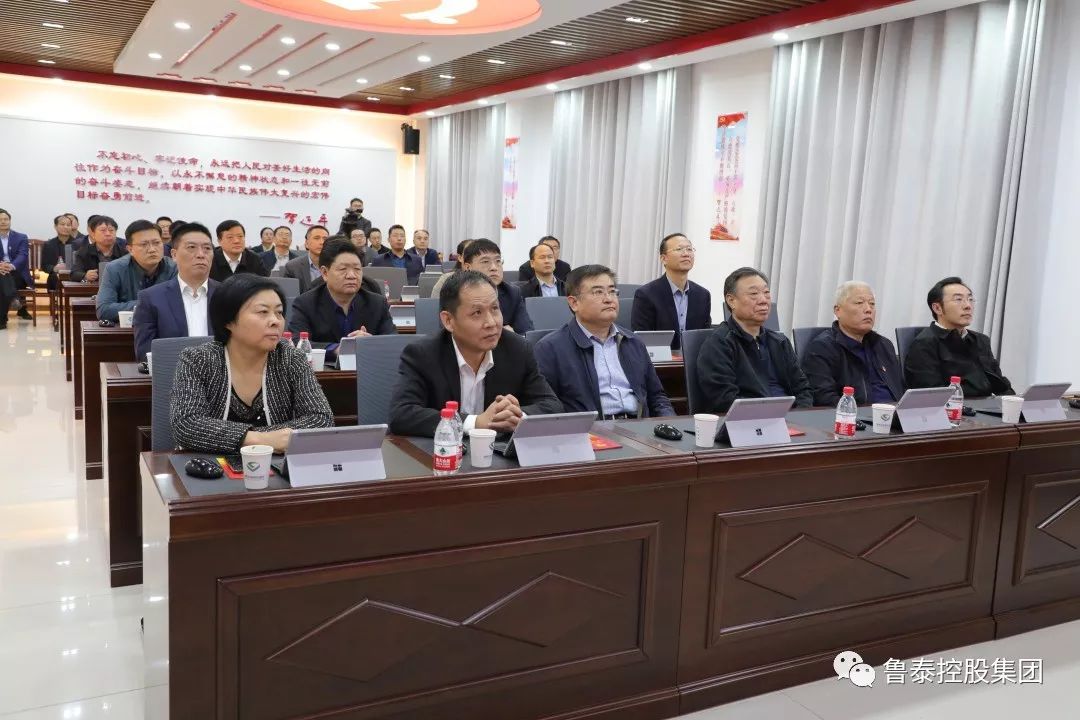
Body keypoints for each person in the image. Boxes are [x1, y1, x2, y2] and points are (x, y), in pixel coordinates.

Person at [170, 274, 334, 454]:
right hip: (212, 465)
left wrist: (245, 439)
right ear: (228, 320)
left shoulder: (291, 358)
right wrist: (262, 440)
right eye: (263, 312)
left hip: (275, 466)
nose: (275, 321)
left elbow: (321, 419)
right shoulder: (198, 360)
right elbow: (186, 424)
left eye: (279, 312)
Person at [389, 271, 562, 437]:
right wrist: (475, 422)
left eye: (495, 308)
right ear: (448, 321)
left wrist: (516, 416)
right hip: (442, 451)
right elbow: (401, 414)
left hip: (497, 452)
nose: (491, 322)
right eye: (477, 313)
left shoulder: (518, 349)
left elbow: (552, 405)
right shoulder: (423, 354)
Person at [534, 265, 674, 419]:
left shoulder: (633, 342)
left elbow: (657, 397)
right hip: (591, 429)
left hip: (638, 426)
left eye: (612, 291)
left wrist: (669, 422)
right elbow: (547, 406)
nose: (609, 299)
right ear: (574, 303)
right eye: (598, 292)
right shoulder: (550, 348)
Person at [696, 267, 812, 413]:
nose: (763, 300)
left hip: (791, 420)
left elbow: (803, 389)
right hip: (749, 420)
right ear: (731, 301)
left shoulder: (780, 342)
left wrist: (800, 416)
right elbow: (724, 399)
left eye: (766, 293)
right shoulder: (719, 344)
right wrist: (772, 415)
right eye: (754, 294)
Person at [904, 276, 1015, 396]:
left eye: (970, 299)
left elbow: (1001, 385)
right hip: (957, 407)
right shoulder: (924, 344)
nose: (968, 306)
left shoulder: (981, 340)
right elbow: (932, 395)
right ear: (937, 308)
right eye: (958, 299)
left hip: (989, 405)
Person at [801, 281, 904, 406]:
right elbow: (824, 398)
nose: (868, 309)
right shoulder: (822, 348)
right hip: (857, 415)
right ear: (838, 310)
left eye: (872, 304)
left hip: (894, 414)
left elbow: (901, 390)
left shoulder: (884, 345)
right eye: (859, 303)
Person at [287, 238, 396, 353]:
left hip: (366, 363)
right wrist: (337, 349)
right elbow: (296, 342)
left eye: (357, 269)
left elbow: (393, 341)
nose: (351, 275)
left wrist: (370, 342)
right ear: (325, 273)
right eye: (343, 269)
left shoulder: (377, 303)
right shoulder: (305, 303)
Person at [132, 222, 218, 361]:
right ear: (174, 254)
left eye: (207, 248)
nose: (201, 254)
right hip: (171, 372)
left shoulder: (228, 295)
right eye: (191, 247)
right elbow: (145, 353)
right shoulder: (151, 298)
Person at [632, 233, 712, 350]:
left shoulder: (702, 295)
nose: (686, 254)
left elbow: (705, 337)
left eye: (689, 249)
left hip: (694, 359)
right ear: (663, 259)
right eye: (679, 249)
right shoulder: (646, 295)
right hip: (660, 359)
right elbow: (642, 340)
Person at [96, 220, 177, 321]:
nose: (152, 249)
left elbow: (180, 306)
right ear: (130, 250)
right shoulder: (114, 269)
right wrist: (149, 303)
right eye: (144, 244)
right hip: (128, 329)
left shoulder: (175, 268)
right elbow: (104, 310)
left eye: (156, 243)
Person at [462, 238, 532, 334]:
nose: (494, 267)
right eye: (485, 262)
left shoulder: (512, 293)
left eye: (498, 261)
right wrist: (503, 334)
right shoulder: (456, 294)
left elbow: (526, 333)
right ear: (468, 268)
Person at [0, 209, 32, 328]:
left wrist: (10, 266)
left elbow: (22, 255)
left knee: (3, 277)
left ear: (10, 221)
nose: (3, 222)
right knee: (2, 276)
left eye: (6, 219)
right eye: (0, 220)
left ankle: (2, 319)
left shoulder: (21, 237)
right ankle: (14, 298)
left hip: (17, 272)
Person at [70, 215, 126, 283]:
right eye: (103, 230)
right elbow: (74, 274)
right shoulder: (84, 252)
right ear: (93, 234)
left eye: (111, 230)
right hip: (94, 288)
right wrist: (85, 275)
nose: (108, 234)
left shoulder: (125, 252)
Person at [282, 225, 330, 294]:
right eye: (316, 238)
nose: (322, 242)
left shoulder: (335, 266)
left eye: (325, 239)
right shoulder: (292, 267)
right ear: (307, 243)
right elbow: (289, 295)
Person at [40, 214, 77, 291]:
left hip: (74, 275)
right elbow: (44, 266)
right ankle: (56, 297)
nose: (66, 227)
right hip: (55, 275)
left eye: (68, 225)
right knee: (54, 277)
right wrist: (54, 268)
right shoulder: (49, 244)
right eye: (62, 224)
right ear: (55, 226)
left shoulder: (78, 244)